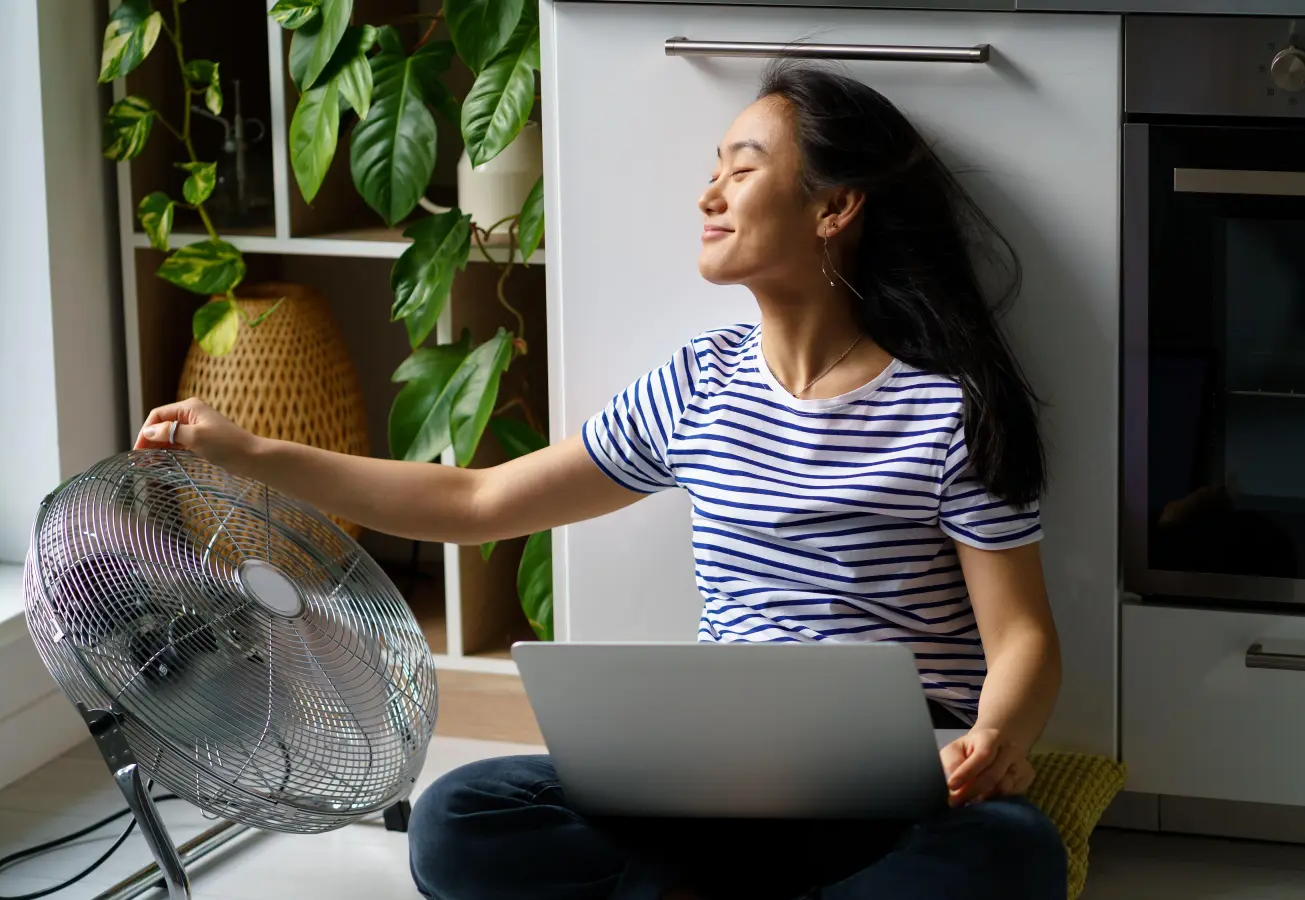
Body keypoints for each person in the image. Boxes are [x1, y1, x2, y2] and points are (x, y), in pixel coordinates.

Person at [136, 61, 1066, 900]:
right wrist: (252, 454)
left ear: (835, 208)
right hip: (718, 775)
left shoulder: (947, 410)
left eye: (742, 170)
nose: (710, 192)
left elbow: (1021, 634)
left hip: (901, 784)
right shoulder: (698, 386)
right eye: (715, 169)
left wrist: (998, 739)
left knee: (1010, 854)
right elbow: (477, 502)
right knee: (459, 821)